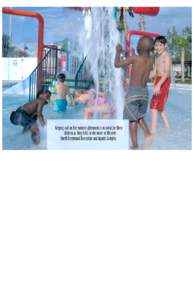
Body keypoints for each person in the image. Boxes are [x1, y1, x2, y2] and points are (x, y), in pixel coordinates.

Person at [114, 36, 154, 149]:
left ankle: (135, 145)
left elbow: (117, 64)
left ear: (140, 47)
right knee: (139, 116)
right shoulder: (151, 60)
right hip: (144, 93)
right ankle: (148, 134)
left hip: (134, 92)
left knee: (132, 120)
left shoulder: (135, 59)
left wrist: (117, 52)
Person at [150, 36, 172, 134]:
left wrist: (158, 85)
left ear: (165, 45)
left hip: (164, 81)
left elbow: (166, 73)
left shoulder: (166, 56)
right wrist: (144, 76)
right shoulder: (157, 57)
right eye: (156, 45)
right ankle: (168, 129)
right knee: (160, 108)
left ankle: (153, 131)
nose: (158, 47)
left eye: (160, 45)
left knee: (153, 106)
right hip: (158, 81)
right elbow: (154, 72)